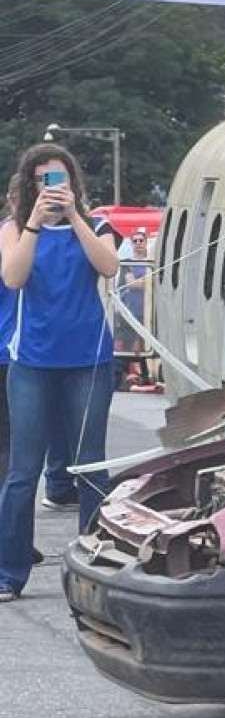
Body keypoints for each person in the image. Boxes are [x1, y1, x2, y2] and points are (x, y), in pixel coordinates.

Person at [0, 144, 121, 601]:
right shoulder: (13, 229)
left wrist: (75, 218)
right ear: (29, 184)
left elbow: (109, 266)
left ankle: (96, 567)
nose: (52, 188)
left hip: (88, 361)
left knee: (91, 466)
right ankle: (8, 572)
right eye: (43, 180)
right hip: (31, 362)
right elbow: (12, 277)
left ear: (74, 183)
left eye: (60, 179)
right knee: (22, 471)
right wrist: (35, 222)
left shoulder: (95, 225)